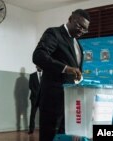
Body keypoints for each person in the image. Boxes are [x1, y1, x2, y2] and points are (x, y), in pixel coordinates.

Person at [32, 9, 90, 141]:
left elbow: (75, 70)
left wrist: (78, 77)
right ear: (71, 19)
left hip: (69, 102)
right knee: (49, 137)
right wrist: (65, 68)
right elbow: (38, 56)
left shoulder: (78, 45)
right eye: (79, 26)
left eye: (85, 29)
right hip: (52, 100)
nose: (82, 31)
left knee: (64, 136)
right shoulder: (54, 33)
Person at [28, 66, 42, 134]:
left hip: (42, 98)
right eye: (39, 66)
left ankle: (43, 129)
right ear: (36, 66)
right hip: (34, 98)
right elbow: (30, 86)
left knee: (43, 115)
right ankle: (31, 129)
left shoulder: (45, 76)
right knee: (33, 114)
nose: (40, 67)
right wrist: (37, 93)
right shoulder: (32, 75)